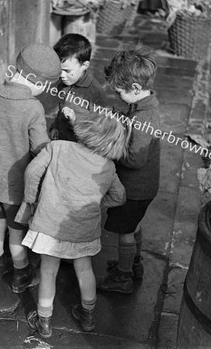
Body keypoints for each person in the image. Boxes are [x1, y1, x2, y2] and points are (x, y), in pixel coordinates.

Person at [15, 106, 129, 338]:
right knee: (85, 269)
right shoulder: (107, 166)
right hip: (83, 229)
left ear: (85, 127)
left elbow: (32, 172)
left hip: (49, 223)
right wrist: (95, 204)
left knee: (48, 271)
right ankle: (87, 316)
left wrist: (32, 198)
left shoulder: (58, 148)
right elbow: (120, 197)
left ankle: (44, 321)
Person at [0, 43, 61, 294]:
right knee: (15, 233)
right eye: (44, 86)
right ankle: (21, 274)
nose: (43, 92)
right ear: (36, 80)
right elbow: (40, 148)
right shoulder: (33, 108)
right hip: (15, 187)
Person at [97, 46, 161, 294]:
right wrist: (122, 119)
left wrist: (111, 149)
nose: (117, 95)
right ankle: (134, 263)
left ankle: (122, 278)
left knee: (124, 231)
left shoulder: (144, 118)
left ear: (135, 89)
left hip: (135, 188)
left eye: (119, 92)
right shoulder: (144, 107)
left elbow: (135, 159)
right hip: (143, 188)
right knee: (133, 226)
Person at [49, 33, 107, 141]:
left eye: (67, 71)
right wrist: (55, 127)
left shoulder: (94, 92)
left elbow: (98, 128)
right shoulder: (64, 83)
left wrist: (74, 121)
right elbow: (61, 109)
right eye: (59, 69)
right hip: (63, 139)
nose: (61, 75)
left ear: (84, 65)